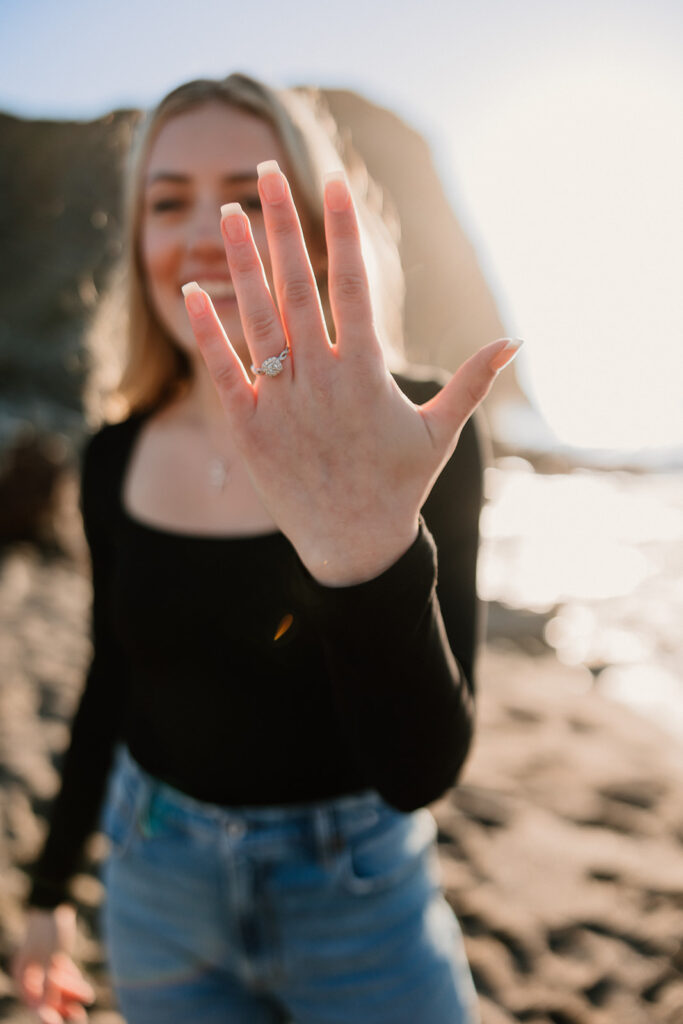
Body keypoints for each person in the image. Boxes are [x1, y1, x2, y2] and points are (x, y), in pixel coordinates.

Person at [12, 73, 521, 1024]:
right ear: (136, 239)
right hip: (153, 883)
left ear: (319, 237)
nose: (210, 231)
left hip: (358, 897)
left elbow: (420, 772)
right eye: (169, 201)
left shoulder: (413, 442)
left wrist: (365, 550)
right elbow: (109, 678)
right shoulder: (114, 454)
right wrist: (47, 897)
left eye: (252, 198)